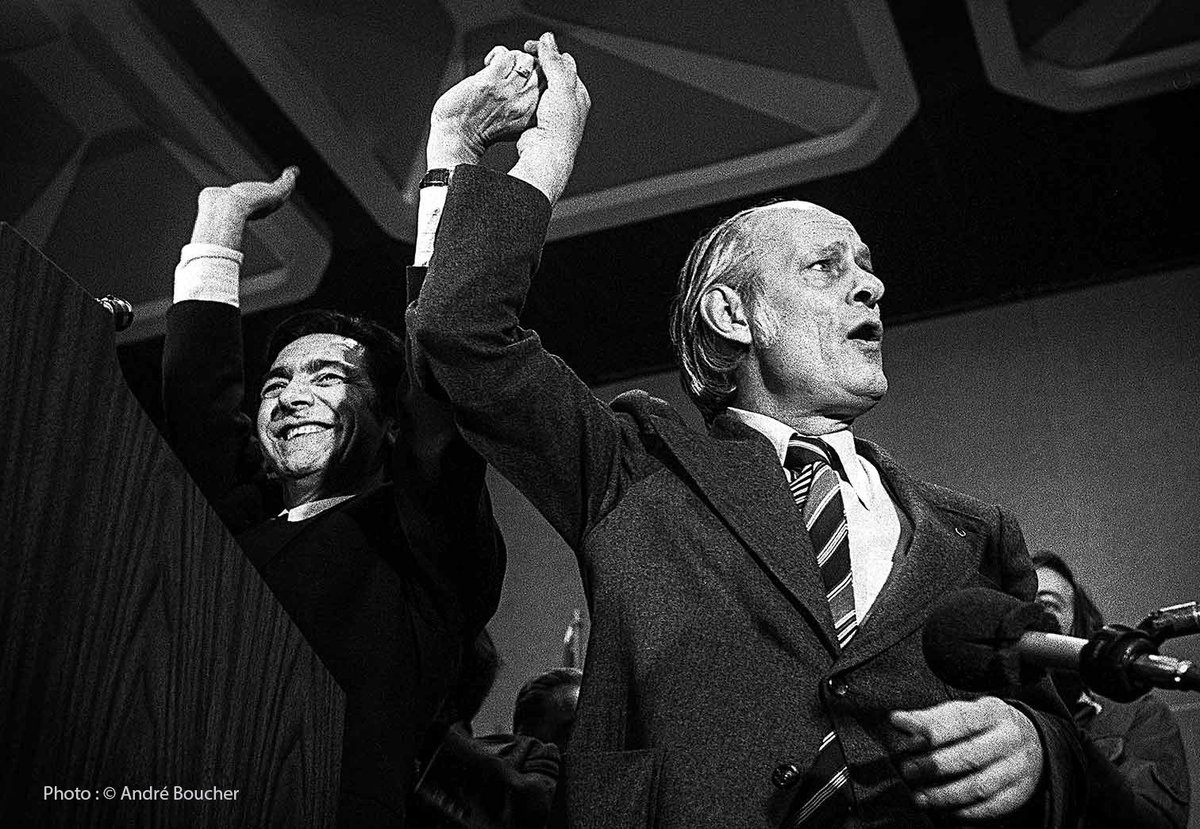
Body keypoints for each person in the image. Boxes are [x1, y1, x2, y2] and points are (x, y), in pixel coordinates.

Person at [408, 34, 1085, 827]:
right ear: (732, 314)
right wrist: (510, 159)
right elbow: (462, 330)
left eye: (866, 266)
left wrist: (1038, 750)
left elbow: (1074, 746)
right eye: (826, 267)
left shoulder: (975, 535)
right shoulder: (632, 468)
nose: (872, 285)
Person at [161, 167, 506, 826]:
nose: (291, 397)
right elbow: (198, 412)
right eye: (276, 384)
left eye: (328, 378)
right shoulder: (238, 529)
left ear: (392, 420)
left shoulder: (414, 544)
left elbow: (439, 398)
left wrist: (443, 175)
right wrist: (220, 221)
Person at [1034, 551, 1191, 828]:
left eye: (1047, 605)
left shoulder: (1140, 715)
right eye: (1021, 605)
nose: (1032, 615)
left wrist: (1064, 739)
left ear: (1080, 626)